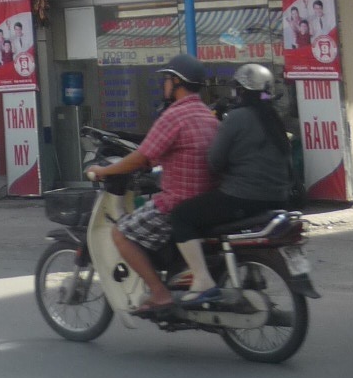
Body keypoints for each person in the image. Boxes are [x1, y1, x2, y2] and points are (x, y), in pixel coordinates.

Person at [89, 55, 219, 315]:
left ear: (177, 82)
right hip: (205, 201)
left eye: (167, 80)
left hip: (176, 202)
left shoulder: (174, 116)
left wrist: (104, 171)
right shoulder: (208, 115)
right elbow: (164, 154)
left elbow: (141, 157)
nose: (164, 85)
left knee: (121, 233)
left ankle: (159, 293)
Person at [170, 63, 294, 305]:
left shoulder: (236, 117)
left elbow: (214, 162)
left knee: (181, 216)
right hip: (279, 197)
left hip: (243, 198)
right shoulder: (273, 118)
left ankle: (202, 280)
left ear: (242, 91)